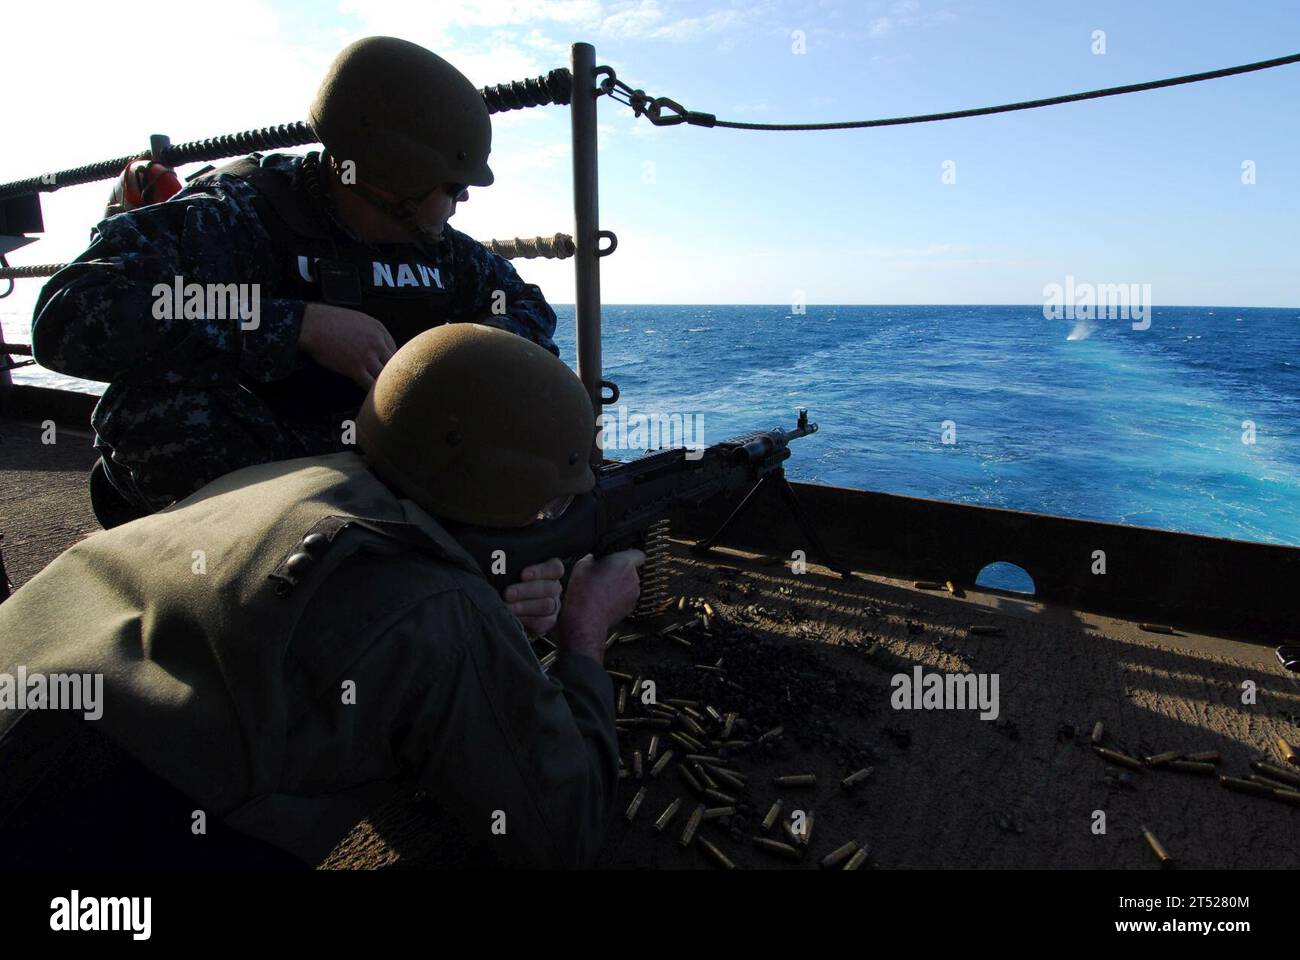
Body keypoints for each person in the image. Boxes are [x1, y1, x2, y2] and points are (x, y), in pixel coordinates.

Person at [0, 323, 644, 870]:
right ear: (504, 487)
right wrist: (585, 628)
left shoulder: (278, 477)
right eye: (551, 503)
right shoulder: (438, 610)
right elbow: (563, 833)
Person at [31, 36, 559, 527]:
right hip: (260, 461)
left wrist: (455, 360)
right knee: (162, 414)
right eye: (453, 186)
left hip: (371, 456)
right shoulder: (237, 213)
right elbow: (70, 314)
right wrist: (295, 325)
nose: (462, 200)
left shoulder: (433, 245)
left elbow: (523, 305)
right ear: (395, 175)